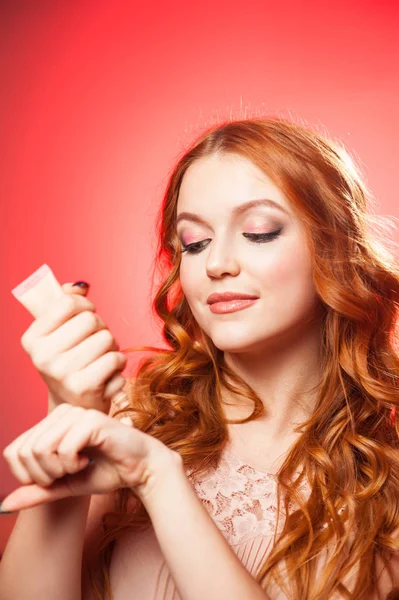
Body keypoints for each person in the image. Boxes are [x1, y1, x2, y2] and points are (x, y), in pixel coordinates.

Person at [0, 116, 399, 600]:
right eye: (195, 242)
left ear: (334, 246)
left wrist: (159, 478)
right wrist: (69, 420)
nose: (215, 264)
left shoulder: (382, 473)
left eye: (259, 231)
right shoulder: (135, 422)